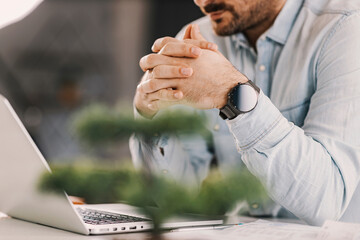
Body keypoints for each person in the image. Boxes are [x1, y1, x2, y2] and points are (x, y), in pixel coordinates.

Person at [130, 0, 360, 226]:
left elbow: (327, 200)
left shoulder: (346, 28)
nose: (201, 1)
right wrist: (149, 116)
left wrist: (234, 92)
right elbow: (182, 199)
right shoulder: (198, 40)